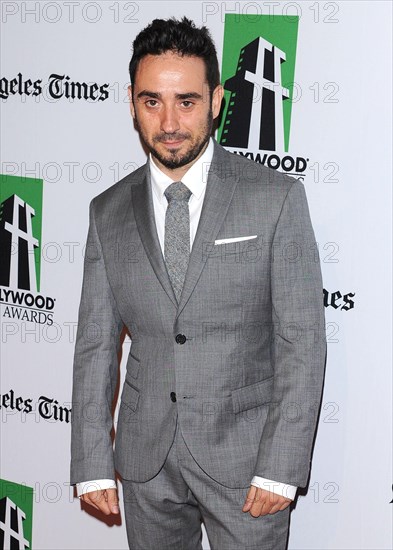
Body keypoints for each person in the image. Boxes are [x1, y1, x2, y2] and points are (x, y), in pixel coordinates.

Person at [70, 16, 326, 550]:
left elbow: (301, 340)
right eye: (151, 101)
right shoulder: (107, 212)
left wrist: (281, 466)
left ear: (216, 100)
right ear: (132, 102)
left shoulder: (275, 198)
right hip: (144, 461)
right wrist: (92, 461)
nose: (168, 121)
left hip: (246, 462)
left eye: (186, 101)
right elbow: (95, 345)